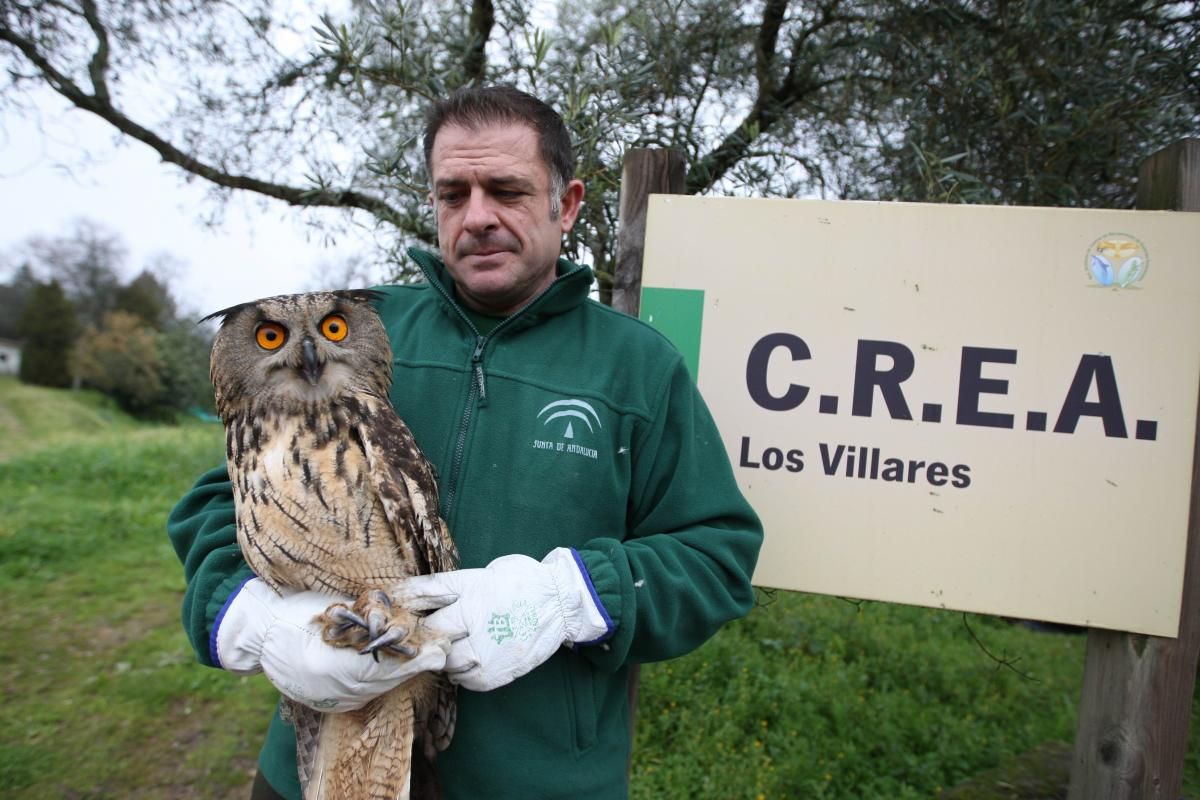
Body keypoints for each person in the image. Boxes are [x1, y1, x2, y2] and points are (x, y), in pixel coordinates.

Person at [168, 85, 763, 800]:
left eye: (507, 190)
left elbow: (715, 554)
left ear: (566, 204)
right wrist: (259, 621)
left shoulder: (637, 366)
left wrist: (569, 598)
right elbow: (225, 495)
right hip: (330, 761)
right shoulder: (353, 334)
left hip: (535, 777)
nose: (478, 216)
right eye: (454, 194)